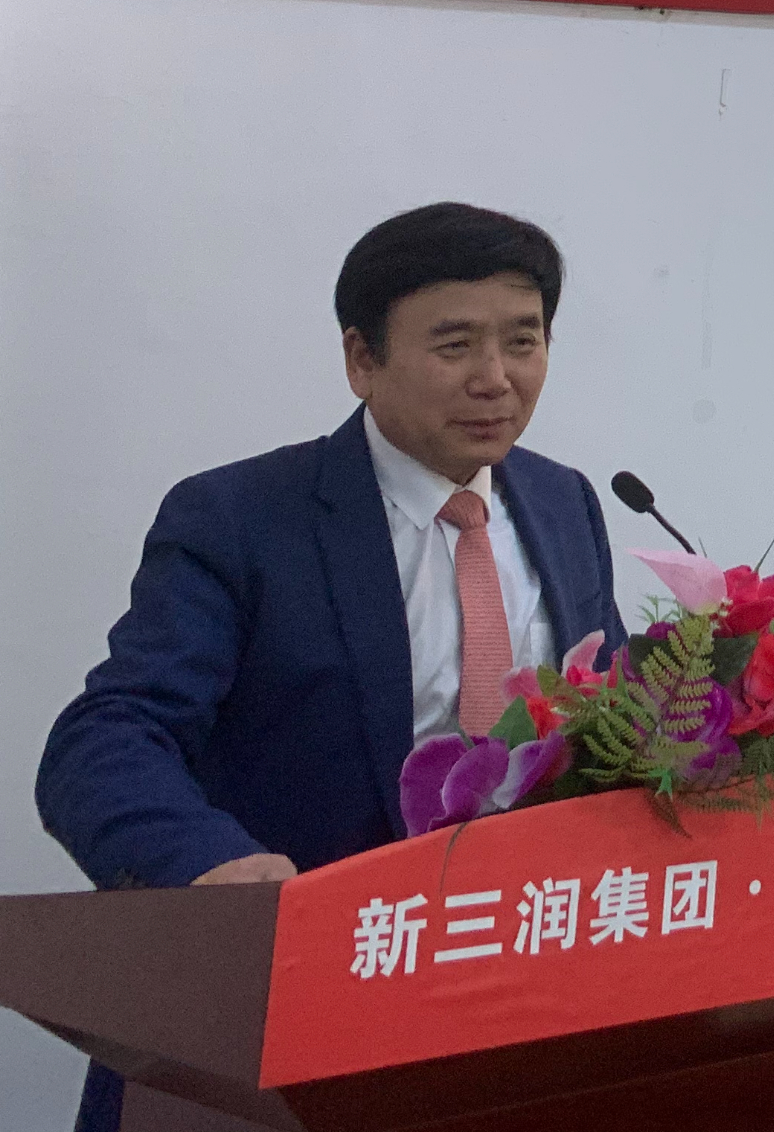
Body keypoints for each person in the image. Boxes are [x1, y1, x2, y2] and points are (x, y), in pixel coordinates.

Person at [37, 202, 629, 1131]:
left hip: (501, 1006)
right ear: (361, 359)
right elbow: (107, 738)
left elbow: (608, 722)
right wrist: (210, 868)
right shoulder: (240, 519)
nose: (496, 378)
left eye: (524, 341)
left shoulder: (564, 504)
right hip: (285, 1010)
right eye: (455, 346)